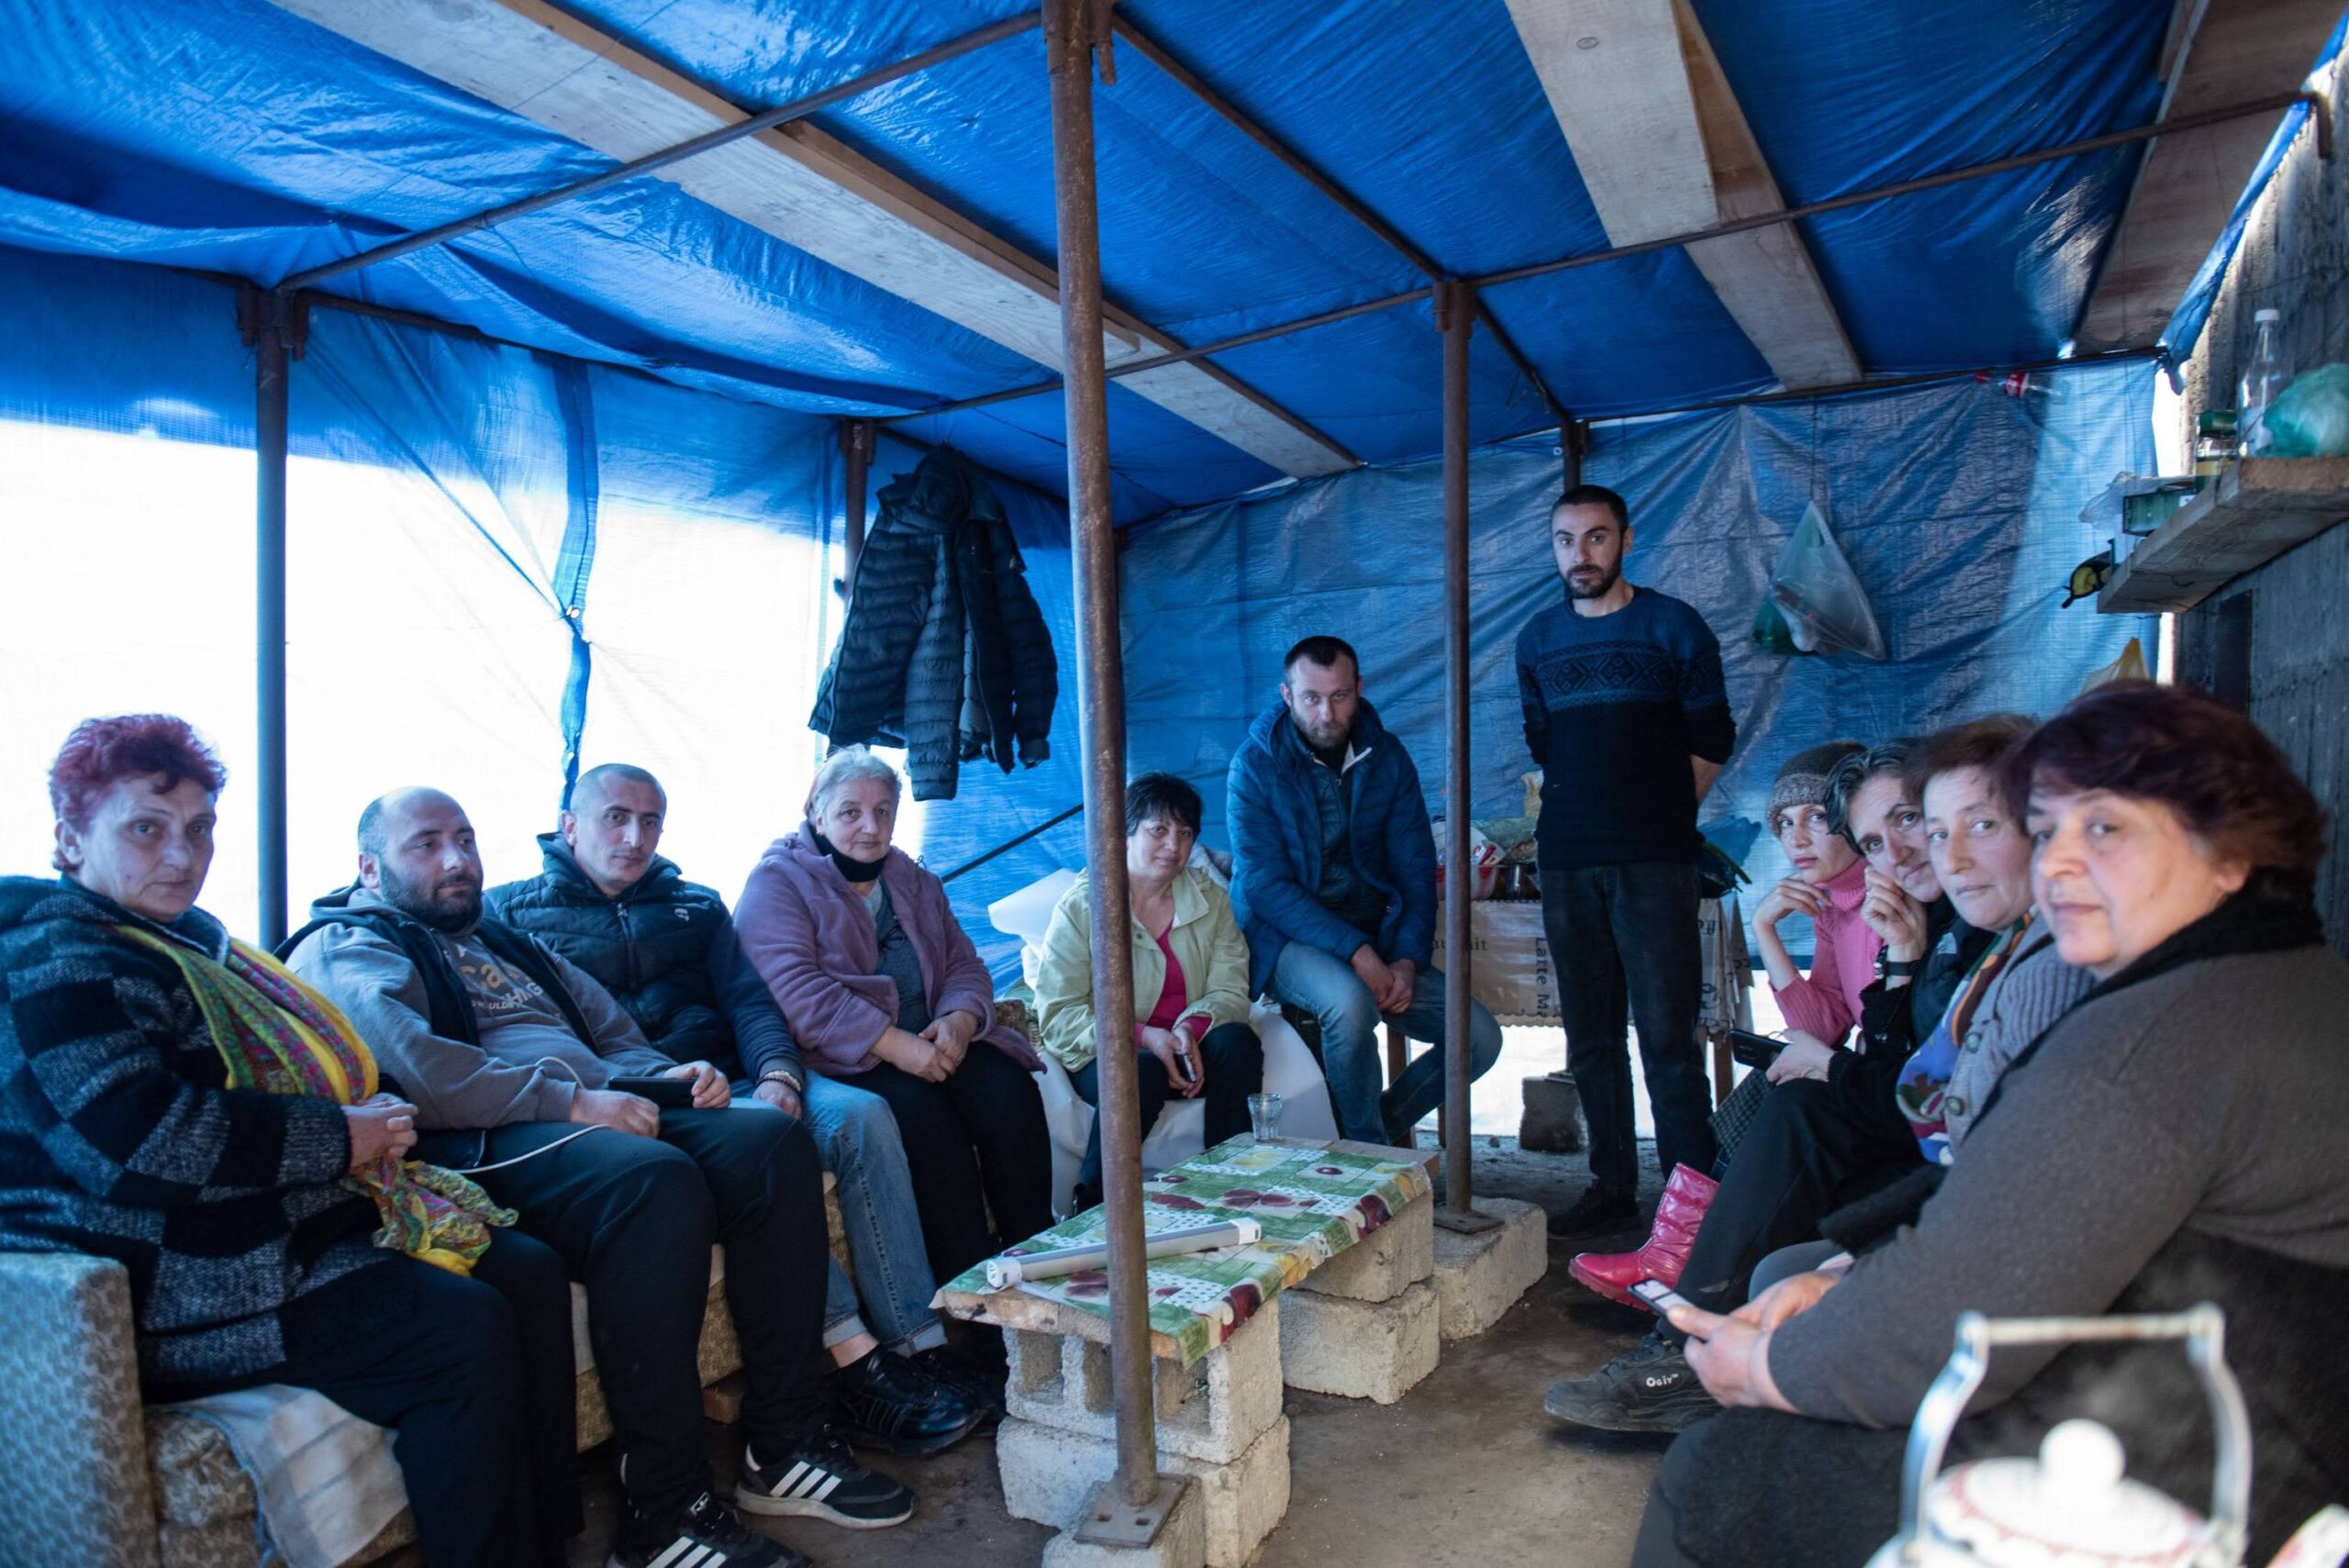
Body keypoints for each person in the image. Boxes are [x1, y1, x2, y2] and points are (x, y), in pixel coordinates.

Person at [1632, 683, 2349, 1568]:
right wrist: (1854, 1278)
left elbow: (1957, 1306)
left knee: (1718, 1464)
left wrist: (1767, 1368)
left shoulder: (2157, 1033)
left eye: (2110, 829)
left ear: (2231, 854)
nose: (2059, 865)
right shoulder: (2271, 979)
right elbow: (2022, 1217)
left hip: (2218, 1466)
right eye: (2050, 832)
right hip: (2245, 1401)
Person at [286, 787, 908, 1568]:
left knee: (770, 1142)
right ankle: (664, 1506)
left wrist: (666, 1075)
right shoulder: (350, 941)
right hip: (480, 1134)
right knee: (651, 1181)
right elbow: (419, 1068)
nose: (456, 860)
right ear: (369, 866)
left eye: (466, 838)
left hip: (584, 1105)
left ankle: (782, 1446)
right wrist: (575, 1100)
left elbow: (609, 1023)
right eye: (427, 844)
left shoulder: (502, 941)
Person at [0, 717, 569, 1567]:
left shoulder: (179, 940)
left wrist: (353, 1117)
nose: (181, 855)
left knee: (524, 1266)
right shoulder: (59, 950)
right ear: (70, 839)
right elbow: (135, 1139)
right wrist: (338, 1136)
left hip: (259, 1225)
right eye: (147, 828)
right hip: (166, 1272)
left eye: (198, 829)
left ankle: (549, 1539)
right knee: (459, 1331)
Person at [1549, 715, 2089, 1435]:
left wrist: (1854, 1031)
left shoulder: (2008, 939)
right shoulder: (1939, 923)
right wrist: (1837, 955)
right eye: (1882, 838)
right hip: (1936, 1150)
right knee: (1782, 1101)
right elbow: (1861, 1041)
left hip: (1964, 1178)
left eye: (1919, 822)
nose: (1918, 852)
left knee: (1798, 1104)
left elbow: (1917, 1093)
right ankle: (1684, 1284)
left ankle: (1685, 1309)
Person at [484, 762, 985, 1456]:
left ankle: (917, 1343)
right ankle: (857, 1364)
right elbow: (518, 1033)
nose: (635, 837)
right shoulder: (509, 916)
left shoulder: (694, 903)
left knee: (863, 1115)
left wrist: (777, 1072)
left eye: (651, 820)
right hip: (637, 1100)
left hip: (737, 1076)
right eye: (615, 818)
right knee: (769, 1159)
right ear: (569, 824)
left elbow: (751, 999)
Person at [735, 747, 1054, 1287]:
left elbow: (965, 964)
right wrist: (897, 1047)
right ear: (816, 813)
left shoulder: (911, 879)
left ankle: (1042, 1269)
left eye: (883, 811)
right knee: (928, 1126)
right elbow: (796, 993)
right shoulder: (778, 883)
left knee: (1009, 1091)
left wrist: (959, 1019)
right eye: (850, 812)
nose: (870, 826)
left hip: (934, 1039)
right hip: (849, 1058)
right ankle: (975, 1305)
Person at [1517, 485, 1735, 1238]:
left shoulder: (1674, 626)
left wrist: (1666, 813)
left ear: (1626, 541)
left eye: (1597, 537)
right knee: (1590, 1036)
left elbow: (1714, 736)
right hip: (1569, 857)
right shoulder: (1537, 639)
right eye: (1566, 539)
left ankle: (1691, 1200)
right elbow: (1545, 741)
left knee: (1668, 1036)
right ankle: (1611, 1186)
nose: (1581, 554)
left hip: (1655, 859)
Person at [1226, 635, 1501, 1147]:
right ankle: (1371, 1159)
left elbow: (1416, 869)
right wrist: (1357, 953)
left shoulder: (1387, 757)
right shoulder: (1254, 766)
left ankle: (1369, 1139)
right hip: (1285, 936)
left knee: (1480, 1038)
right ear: (1286, 696)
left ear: (1359, 690)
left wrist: (1405, 961)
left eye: (1340, 696)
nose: (1326, 713)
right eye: (1311, 697)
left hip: (1377, 934)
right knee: (1350, 1004)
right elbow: (1264, 886)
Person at [1034, 773, 1263, 1209]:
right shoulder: (1083, 907)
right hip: (1109, 1056)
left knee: (1237, 1042)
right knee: (1138, 1068)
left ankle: (1227, 1189)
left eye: (1185, 833)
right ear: (1123, 834)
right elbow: (1059, 1015)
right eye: (1158, 830)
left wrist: (1191, 1029)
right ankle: (1098, 1206)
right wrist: (1142, 1036)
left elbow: (1231, 986)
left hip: (1186, 1049)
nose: (1173, 846)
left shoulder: (1209, 900)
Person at [1751, 740, 1877, 1085]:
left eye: (1817, 817)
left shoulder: (1891, 900)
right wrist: (1763, 927)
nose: (1797, 839)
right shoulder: (1832, 910)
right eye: (1785, 823)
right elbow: (1820, 1031)